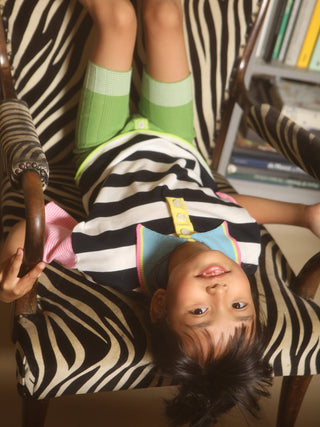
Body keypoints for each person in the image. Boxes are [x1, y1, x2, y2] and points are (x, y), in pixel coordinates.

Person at [1, 0, 320, 425]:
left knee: (118, 20)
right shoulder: (241, 249)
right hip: (179, 141)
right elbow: (235, 206)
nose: (221, 293)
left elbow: (39, 228)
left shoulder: (109, 257)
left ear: (159, 305)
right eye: (241, 306)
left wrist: (10, 278)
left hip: (105, 147)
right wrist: (302, 215)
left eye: (199, 313)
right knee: (165, 15)